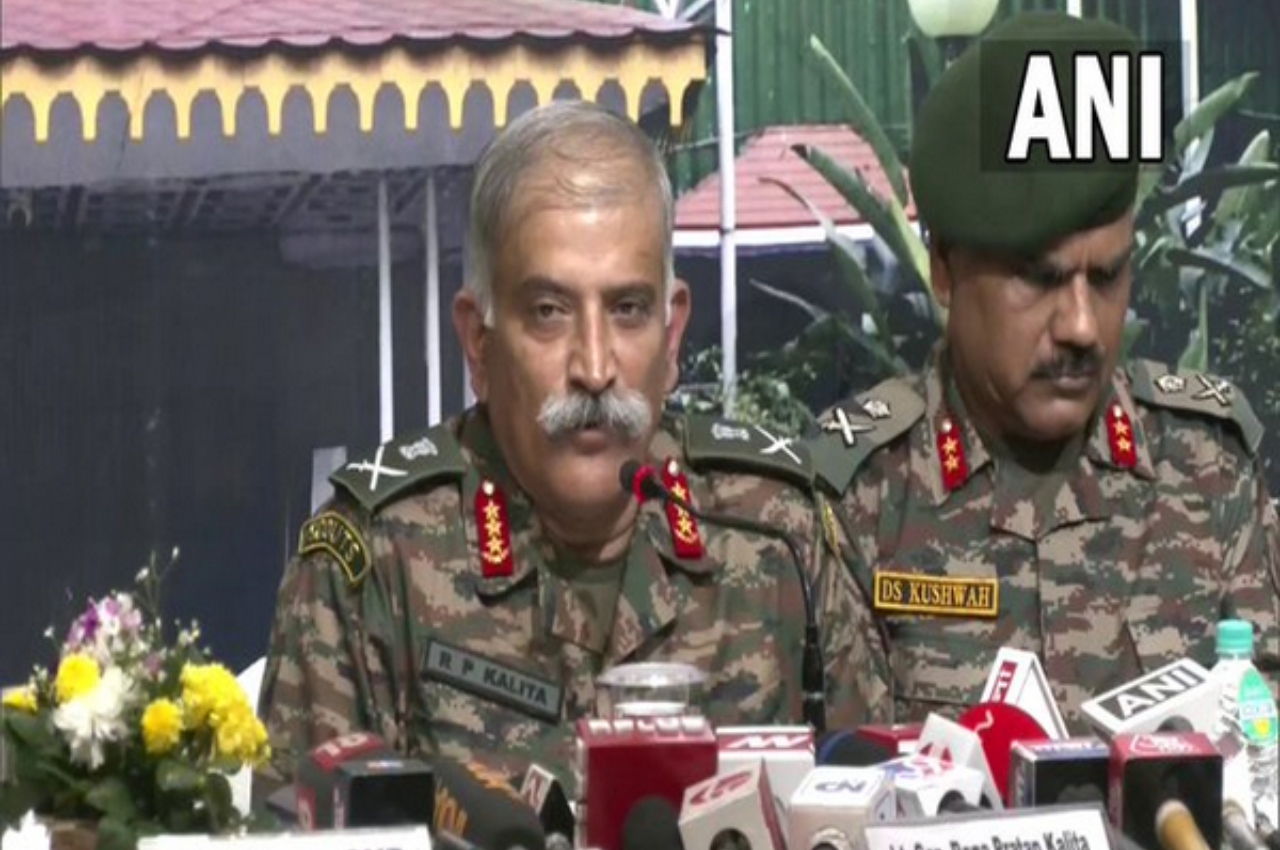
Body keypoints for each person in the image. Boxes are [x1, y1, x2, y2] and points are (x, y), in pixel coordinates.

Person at [254, 100, 888, 804]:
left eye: (627, 310)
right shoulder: (373, 561)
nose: (594, 367)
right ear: (479, 342)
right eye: (549, 312)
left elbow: (878, 806)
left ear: (672, 335)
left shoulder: (778, 531)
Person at [808, 12, 1280, 730]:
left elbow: (1264, 749)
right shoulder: (858, 497)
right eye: (1040, 279)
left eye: (1108, 276)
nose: (1083, 328)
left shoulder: (1208, 469)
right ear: (945, 268)